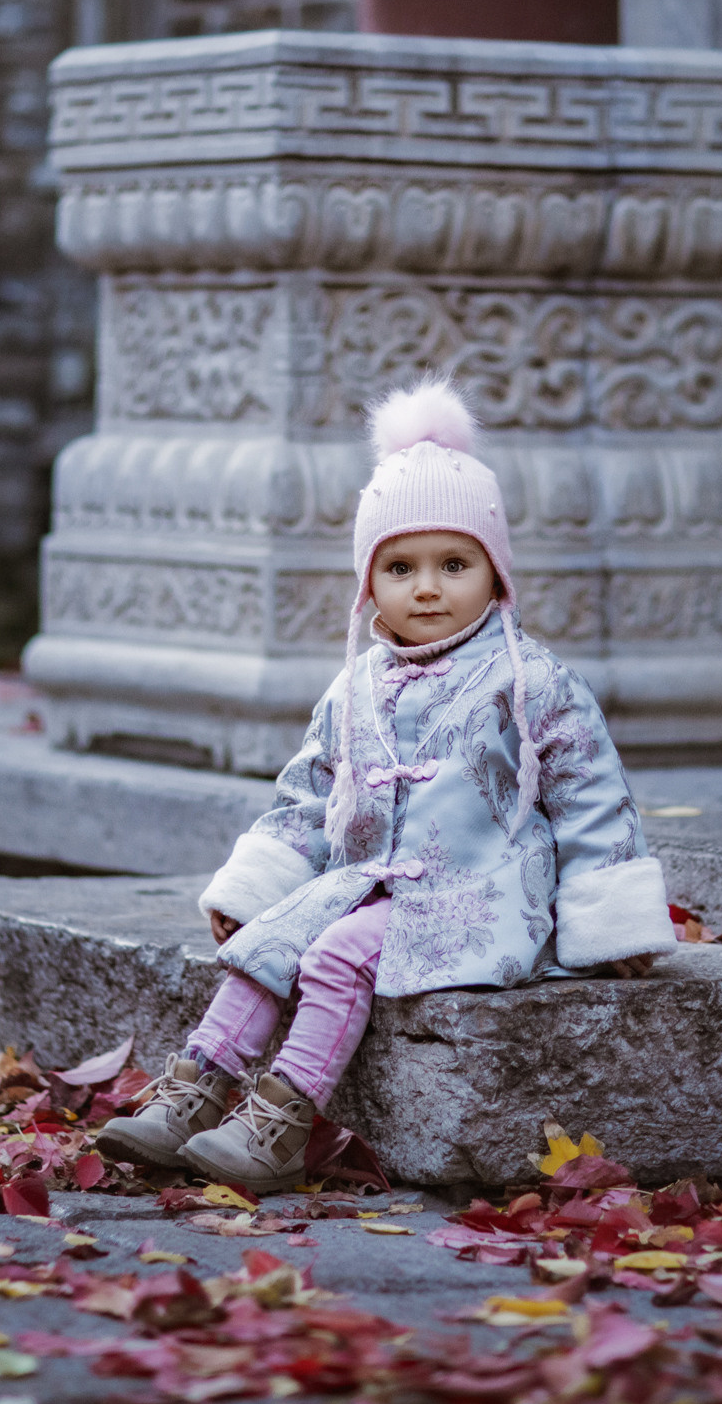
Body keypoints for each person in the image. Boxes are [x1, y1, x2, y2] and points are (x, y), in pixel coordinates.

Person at [96, 378, 677, 1191]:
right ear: (370, 582)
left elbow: (593, 796)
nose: (428, 587)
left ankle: (282, 1118)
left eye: (454, 563)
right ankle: (194, 1088)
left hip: (483, 894)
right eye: (400, 567)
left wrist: (613, 927)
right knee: (269, 943)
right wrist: (262, 885)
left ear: (495, 572)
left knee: (337, 951)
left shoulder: (530, 679)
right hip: (369, 883)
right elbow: (308, 795)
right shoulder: (355, 687)